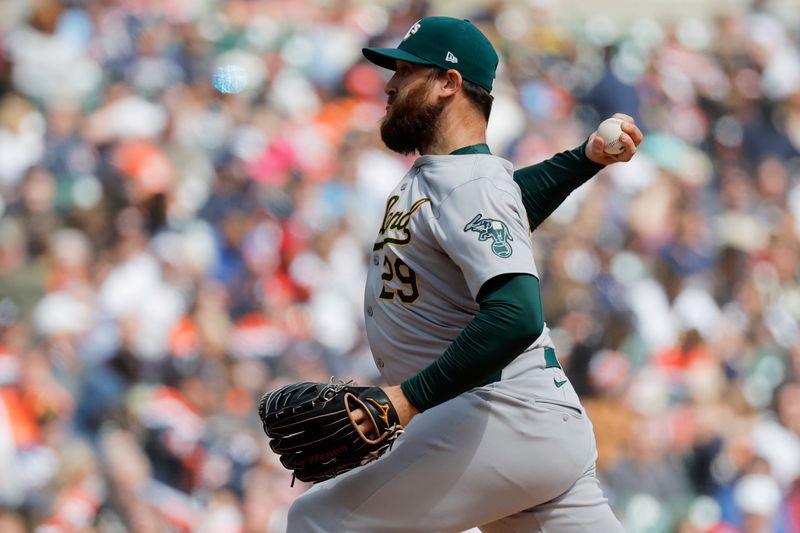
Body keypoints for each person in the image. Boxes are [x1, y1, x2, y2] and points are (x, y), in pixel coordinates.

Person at [287, 16, 641, 532]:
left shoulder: (465, 182)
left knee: (319, 520)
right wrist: (582, 159)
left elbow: (517, 314)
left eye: (406, 73)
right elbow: (506, 206)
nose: (389, 85)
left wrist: (404, 402)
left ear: (448, 84)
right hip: (535, 424)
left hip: (499, 415)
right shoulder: (465, 182)